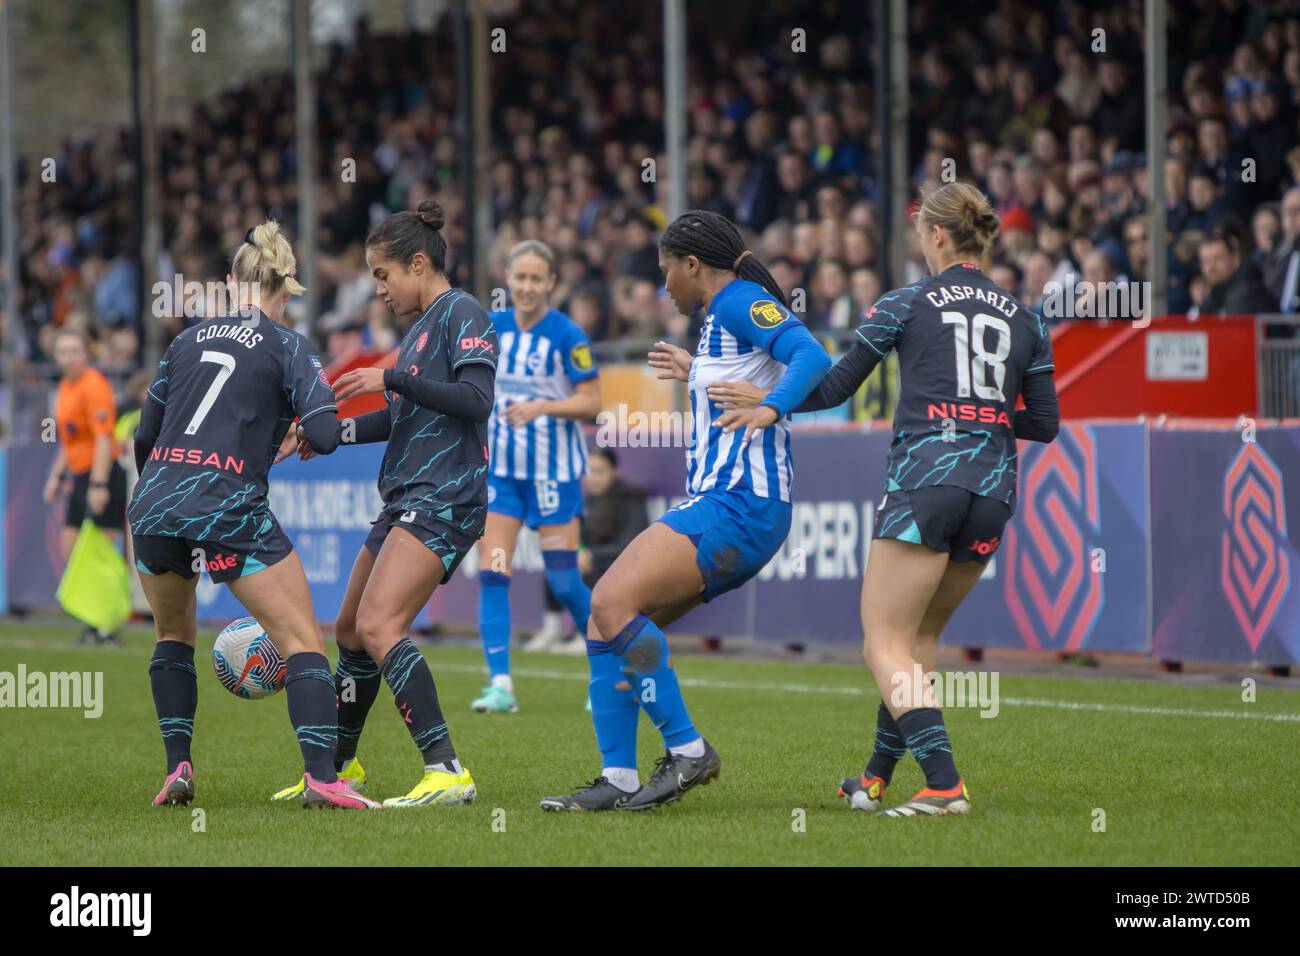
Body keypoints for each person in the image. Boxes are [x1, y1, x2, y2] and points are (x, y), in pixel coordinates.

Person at [710, 182, 1059, 817]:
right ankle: (873, 780)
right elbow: (1045, 421)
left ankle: (945, 783)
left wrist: (766, 401)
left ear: (934, 235)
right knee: (918, 636)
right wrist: (982, 415)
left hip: (927, 481)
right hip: (993, 490)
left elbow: (837, 386)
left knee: (882, 642)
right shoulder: (1027, 316)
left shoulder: (906, 301)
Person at [539, 209, 831, 812]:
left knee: (609, 601)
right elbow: (751, 372)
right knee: (607, 624)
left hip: (741, 504)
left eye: (666, 269)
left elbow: (812, 356)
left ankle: (688, 748)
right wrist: (695, 370)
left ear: (693, 265)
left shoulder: (736, 301)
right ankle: (618, 778)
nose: (662, 282)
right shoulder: (723, 317)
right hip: (731, 507)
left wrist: (771, 408)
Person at [130, 221, 377, 810]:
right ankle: (321, 778)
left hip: (156, 501)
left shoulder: (185, 341)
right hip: (227, 503)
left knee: (172, 635)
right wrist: (295, 424)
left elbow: (145, 436)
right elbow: (323, 432)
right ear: (284, 289)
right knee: (302, 641)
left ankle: (177, 768)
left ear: (228, 283)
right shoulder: (289, 345)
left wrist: (166, 483)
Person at [279, 199, 498, 809]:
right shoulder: (421, 328)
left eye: (383, 274)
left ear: (419, 263)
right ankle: (340, 772)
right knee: (349, 628)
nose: (378, 289)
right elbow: (402, 415)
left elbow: (475, 399)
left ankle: (447, 768)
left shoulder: (464, 313)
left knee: (379, 625)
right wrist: (327, 436)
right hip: (405, 496)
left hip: (445, 494)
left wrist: (393, 378)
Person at [473, 240, 602, 710]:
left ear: (551, 282)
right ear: (507, 278)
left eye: (536, 279)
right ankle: (501, 685)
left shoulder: (568, 335)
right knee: (493, 571)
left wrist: (544, 405)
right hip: (503, 475)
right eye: (519, 277)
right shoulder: (489, 329)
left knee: (566, 582)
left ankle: (606, 673)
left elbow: (593, 402)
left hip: (553, 474)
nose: (526, 287)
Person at [46, 328, 129, 644]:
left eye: (73, 351)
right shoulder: (65, 388)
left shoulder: (94, 385)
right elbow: (71, 440)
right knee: (71, 552)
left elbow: (105, 437)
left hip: (103, 474)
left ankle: (108, 625)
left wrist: (98, 483)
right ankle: (95, 620)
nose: (67, 357)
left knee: (100, 555)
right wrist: (57, 476)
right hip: (80, 474)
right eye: (62, 351)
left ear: (85, 354)